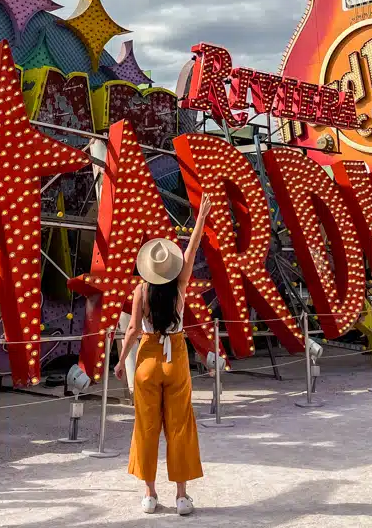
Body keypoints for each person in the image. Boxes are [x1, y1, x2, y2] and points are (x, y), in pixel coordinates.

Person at [114, 193, 212, 516]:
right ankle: (182, 497)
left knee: (146, 426)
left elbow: (131, 331)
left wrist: (120, 361)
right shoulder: (180, 284)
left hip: (146, 357)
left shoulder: (140, 290)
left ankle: (149, 495)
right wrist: (199, 220)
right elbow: (193, 249)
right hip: (176, 354)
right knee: (180, 424)